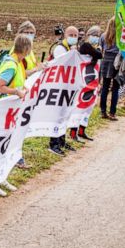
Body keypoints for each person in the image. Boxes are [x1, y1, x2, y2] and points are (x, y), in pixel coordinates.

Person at [0, 34, 32, 168]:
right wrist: (16, 92)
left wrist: (23, 88)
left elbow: (16, 82)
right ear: (26, 49)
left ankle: (12, 160)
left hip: (10, 107)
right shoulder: (11, 65)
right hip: (3, 107)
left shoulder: (17, 63)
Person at [47, 26, 81, 154]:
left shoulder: (71, 48)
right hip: (58, 87)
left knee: (64, 115)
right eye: (70, 34)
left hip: (67, 86)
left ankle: (61, 141)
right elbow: (64, 63)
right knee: (57, 115)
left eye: (75, 35)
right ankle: (53, 144)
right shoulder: (60, 48)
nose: (73, 37)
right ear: (65, 35)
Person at [99, 18, 121, 121]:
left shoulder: (103, 36)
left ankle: (103, 111)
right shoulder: (121, 37)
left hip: (106, 61)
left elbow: (102, 49)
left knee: (105, 87)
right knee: (115, 88)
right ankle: (112, 113)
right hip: (117, 62)